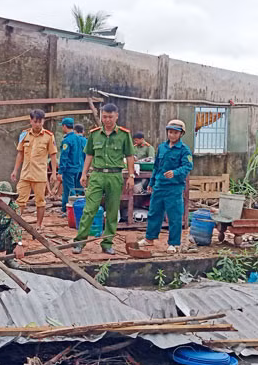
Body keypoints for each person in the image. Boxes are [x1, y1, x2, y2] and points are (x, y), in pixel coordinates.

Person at [72, 103, 135, 255]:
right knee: (89, 209)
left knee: (112, 211)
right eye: (104, 117)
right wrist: (84, 173)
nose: (107, 120)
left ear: (116, 116)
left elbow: (129, 156)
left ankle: (107, 243)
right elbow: (89, 155)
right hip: (97, 175)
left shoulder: (124, 135)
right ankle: (79, 242)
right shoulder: (94, 134)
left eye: (110, 117)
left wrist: (131, 176)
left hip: (115, 176)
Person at [137, 119, 193, 253]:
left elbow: (188, 166)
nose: (172, 135)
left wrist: (175, 172)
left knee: (174, 216)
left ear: (181, 134)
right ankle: (149, 238)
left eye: (175, 133)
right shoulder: (161, 147)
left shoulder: (184, 150)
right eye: (170, 132)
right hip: (159, 186)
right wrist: (151, 183)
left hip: (174, 188)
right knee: (154, 213)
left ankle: (173, 243)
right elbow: (156, 167)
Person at [11, 109, 58, 230]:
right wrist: (15, 170)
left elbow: (53, 155)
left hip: (39, 176)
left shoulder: (48, 136)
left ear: (43, 121)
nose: (38, 124)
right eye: (35, 121)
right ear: (30, 121)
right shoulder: (24, 135)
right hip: (25, 174)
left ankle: (38, 225)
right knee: (20, 201)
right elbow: (20, 154)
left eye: (40, 122)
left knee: (40, 202)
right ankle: (16, 225)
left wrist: (53, 173)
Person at [57, 117, 85, 216]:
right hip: (78, 168)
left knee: (71, 190)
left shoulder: (67, 140)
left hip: (69, 169)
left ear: (64, 126)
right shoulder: (79, 138)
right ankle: (65, 208)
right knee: (70, 189)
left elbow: (64, 157)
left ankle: (73, 210)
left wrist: (60, 171)